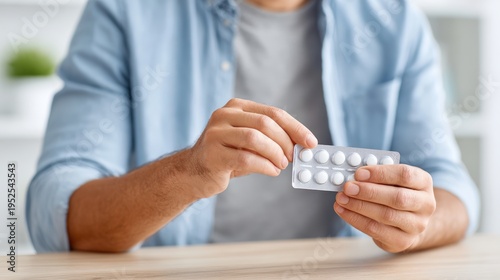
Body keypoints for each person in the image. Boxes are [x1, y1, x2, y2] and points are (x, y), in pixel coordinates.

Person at [27, 0, 479, 254]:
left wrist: (419, 219)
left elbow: (455, 193)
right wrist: (187, 173)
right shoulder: (124, 13)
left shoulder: (394, 21)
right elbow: (55, 209)